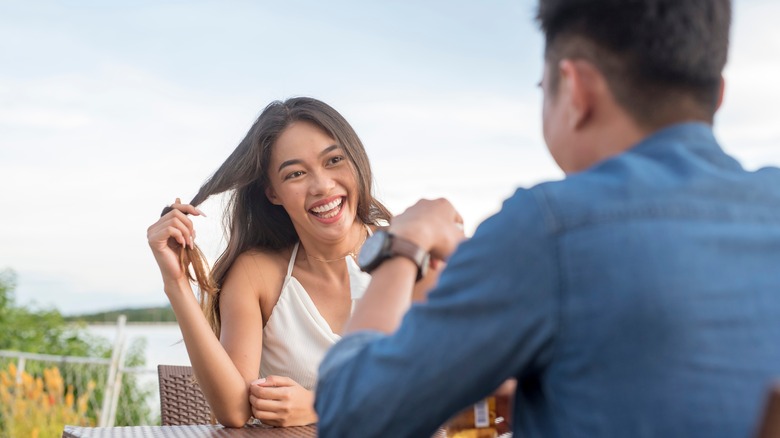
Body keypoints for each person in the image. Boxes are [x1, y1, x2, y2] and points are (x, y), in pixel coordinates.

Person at [313, 1, 780, 437]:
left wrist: (402, 245)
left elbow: (350, 416)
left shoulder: (549, 228)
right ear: (717, 95)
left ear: (576, 89)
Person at [147, 97, 437, 427]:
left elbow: (446, 381)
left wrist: (321, 405)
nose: (322, 186)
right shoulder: (257, 273)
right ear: (273, 193)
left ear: (356, 161)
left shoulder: (408, 251)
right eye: (296, 173)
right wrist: (177, 284)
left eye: (334, 160)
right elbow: (234, 411)